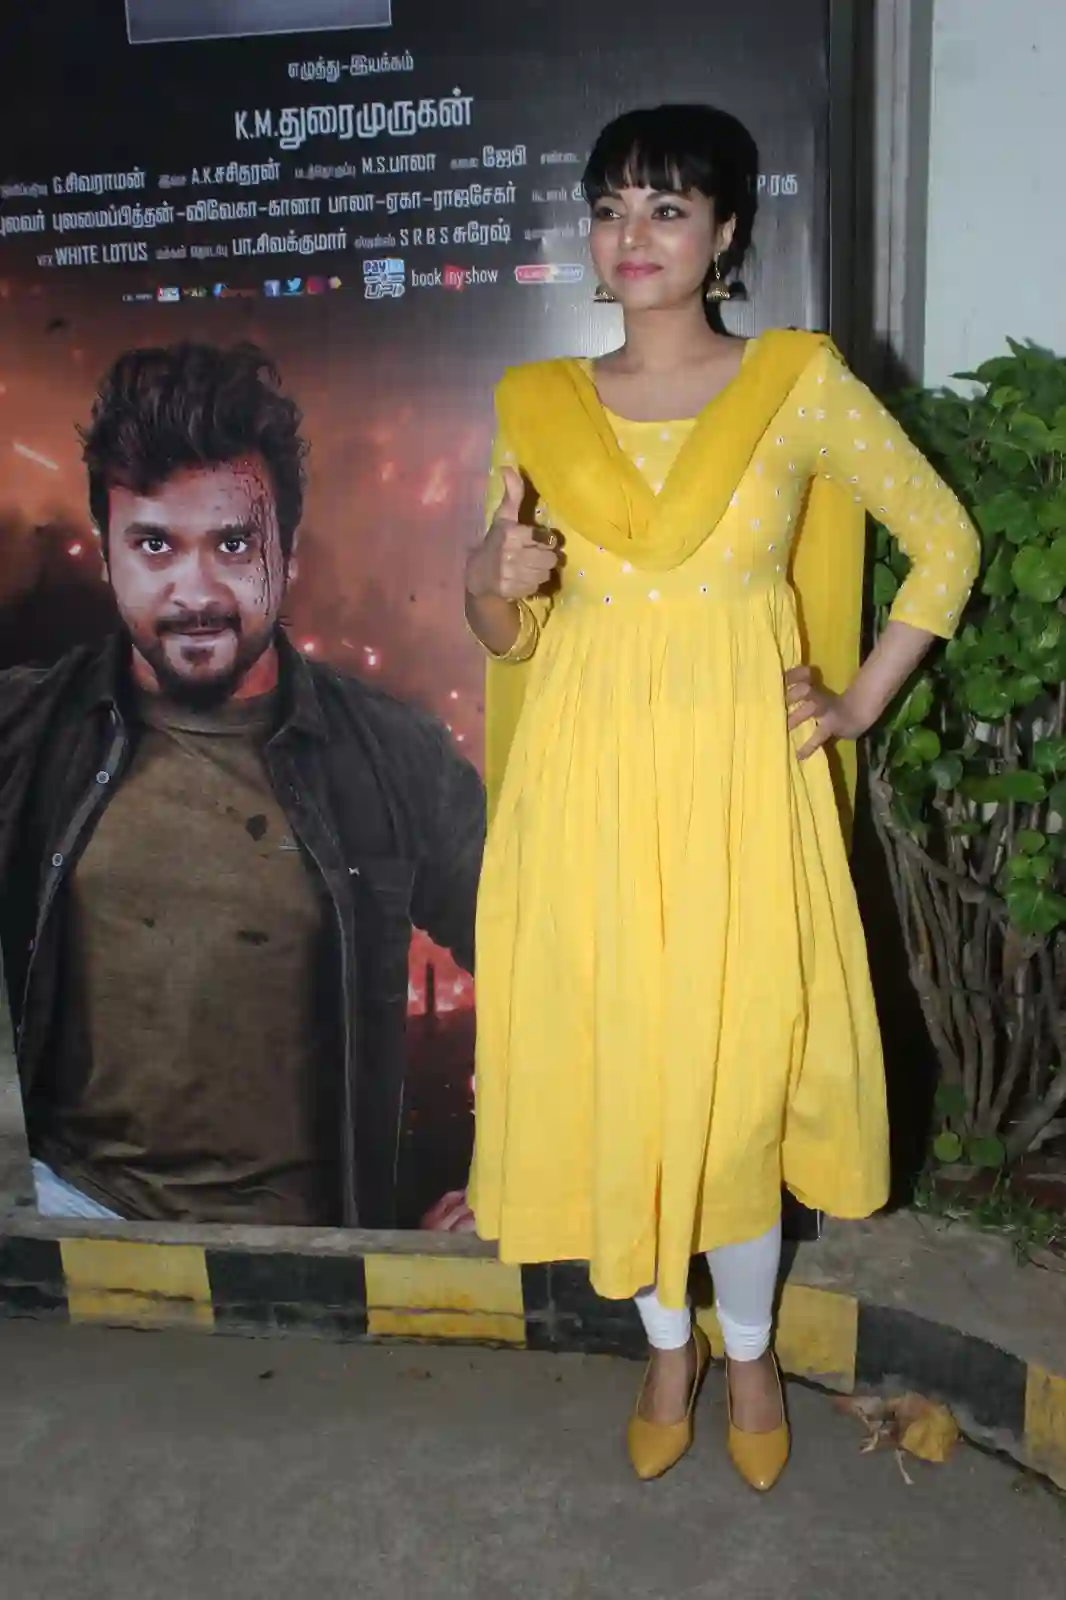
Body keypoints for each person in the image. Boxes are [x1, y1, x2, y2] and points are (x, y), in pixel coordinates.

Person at [462, 105, 979, 1490]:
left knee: (734, 1086)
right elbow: (506, 627)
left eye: (667, 208)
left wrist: (856, 701)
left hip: (740, 796)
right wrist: (483, 586)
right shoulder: (537, 404)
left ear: (726, 231)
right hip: (586, 794)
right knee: (629, 1079)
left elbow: (942, 540)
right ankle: (662, 1346)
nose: (632, 236)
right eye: (610, 207)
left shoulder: (794, 383)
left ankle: (744, 1351)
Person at [0, 341, 484, 1230]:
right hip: (74, 1222)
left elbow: (553, 961)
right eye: (154, 545)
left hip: (311, 1254)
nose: (196, 592)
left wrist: (521, 1181)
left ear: (286, 553)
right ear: (106, 556)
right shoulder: (25, 732)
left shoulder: (393, 755)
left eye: (232, 544)